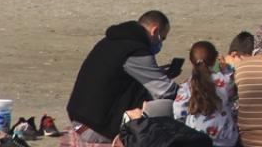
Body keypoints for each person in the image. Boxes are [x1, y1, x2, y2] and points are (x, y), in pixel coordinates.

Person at [66, 10, 178, 144]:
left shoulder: (113, 41)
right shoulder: (135, 50)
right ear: (155, 31)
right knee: (167, 111)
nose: (161, 43)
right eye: (162, 37)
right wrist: (191, 91)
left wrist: (156, 72)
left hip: (80, 118)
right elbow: (165, 90)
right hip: (96, 128)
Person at [171, 41, 238, 147]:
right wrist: (225, 69)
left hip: (197, 138)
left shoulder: (188, 85)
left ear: (191, 61)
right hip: (226, 138)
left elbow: (178, 111)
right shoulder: (225, 80)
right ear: (215, 58)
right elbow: (233, 85)